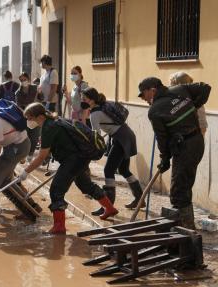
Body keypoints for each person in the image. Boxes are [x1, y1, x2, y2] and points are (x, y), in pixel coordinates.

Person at [18, 103, 118, 234]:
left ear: (40, 116)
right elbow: (51, 149)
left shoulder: (48, 127)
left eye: (30, 118)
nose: (29, 121)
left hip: (74, 160)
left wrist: (26, 171)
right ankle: (110, 208)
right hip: (80, 157)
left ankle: (59, 226)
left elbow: (42, 155)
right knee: (85, 185)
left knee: (56, 190)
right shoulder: (56, 120)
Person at [138, 77, 210, 229]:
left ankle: (187, 233)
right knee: (184, 186)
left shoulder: (155, 110)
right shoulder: (180, 90)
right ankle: (187, 228)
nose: (143, 98)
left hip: (185, 148)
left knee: (178, 192)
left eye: (143, 94)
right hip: (197, 142)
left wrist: (164, 158)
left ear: (152, 90)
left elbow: (162, 139)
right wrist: (192, 106)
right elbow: (205, 87)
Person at [81, 87, 143, 213]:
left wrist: (89, 150)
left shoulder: (94, 114)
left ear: (92, 100)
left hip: (120, 138)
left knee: (108, 170)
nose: (83, 100)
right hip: (127, 134)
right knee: (124, 170)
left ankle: (108, 206)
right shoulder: (103, 105)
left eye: (85, 98)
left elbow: (96, 135)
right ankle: (140, 199)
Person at [169, 72, 208, 136]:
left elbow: (202, 126)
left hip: (191, 140)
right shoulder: (171, 99)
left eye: (172, 84)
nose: (170, 87)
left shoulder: (195, 99)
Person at [15, 72, 41, 161]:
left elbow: (41, 98)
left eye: (24, 79)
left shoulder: (35, 88)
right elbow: (18, 106)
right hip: (25, 116)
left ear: (28, 79)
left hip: (36, 115)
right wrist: (26, 113)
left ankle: (31, 153)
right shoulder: (18, 92)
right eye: (21, 80)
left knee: (35, 135)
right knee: (26, 136)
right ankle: (25, 153)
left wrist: (40, 93)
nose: (23, 82)